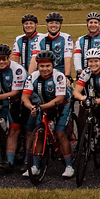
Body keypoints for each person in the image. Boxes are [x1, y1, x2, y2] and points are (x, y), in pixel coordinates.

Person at [23, 49, 72, 178]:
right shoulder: (32, 76)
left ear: (53, 65)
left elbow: (60, 99)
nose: (44, 69)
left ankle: (69, 166)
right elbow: (25, 97)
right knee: (40, 133)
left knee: (60, 133)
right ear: (37, 66)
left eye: (47, 66)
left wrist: (39, 107)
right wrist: (32, 107)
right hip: (43, 105)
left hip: (62, 104)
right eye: (41, 66)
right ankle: (35, 166)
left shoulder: (59, 76)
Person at [0, 47, 29, 175]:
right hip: (8, 98)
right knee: (12, 129)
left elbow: (15, 93)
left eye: (4, 58)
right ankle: (9, 162)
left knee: (25, 129)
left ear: (8, 58)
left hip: (25, 98)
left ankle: (27, 160)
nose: (1, 62)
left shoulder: (17, 69)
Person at [40, 13, 76, 81]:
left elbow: (67, 58)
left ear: (60, 25)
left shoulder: (66, 37)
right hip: (45, 74)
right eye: (51, 23)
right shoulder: (41, 39)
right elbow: (34, 59)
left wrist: (67, 76)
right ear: (47, 24)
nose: (54, 25)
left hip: (61, 73)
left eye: (57, 23)